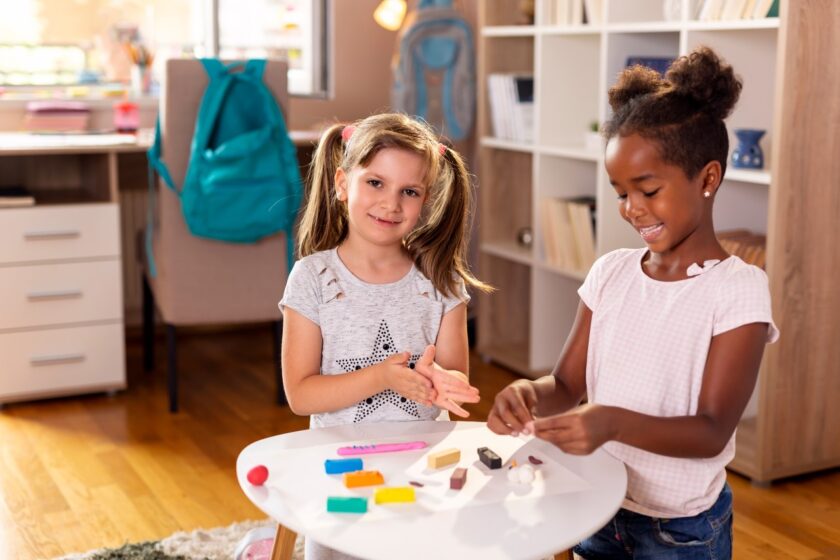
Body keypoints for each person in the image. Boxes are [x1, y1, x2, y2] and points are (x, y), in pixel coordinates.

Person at [488, 47, 778, 559]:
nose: (631, 209)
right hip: (596, 504)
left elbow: (711, 430)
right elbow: (568, 385)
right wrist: (529, 393)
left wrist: (610, 422)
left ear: (707, 179)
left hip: (679, 529)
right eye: (620, 192)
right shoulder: (611, 272)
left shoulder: (738, 290)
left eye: (647, 189)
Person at [280, 113, 490, 560]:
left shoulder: (442, 280)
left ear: (424, 200)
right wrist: (384, 376)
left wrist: (440, 380)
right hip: (339, 471)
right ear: (342, 183)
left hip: (419, 470)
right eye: (375, 183)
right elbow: (300, 394)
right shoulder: (311, 278)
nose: (390, 204)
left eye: (408, 191)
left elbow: (454, 380)